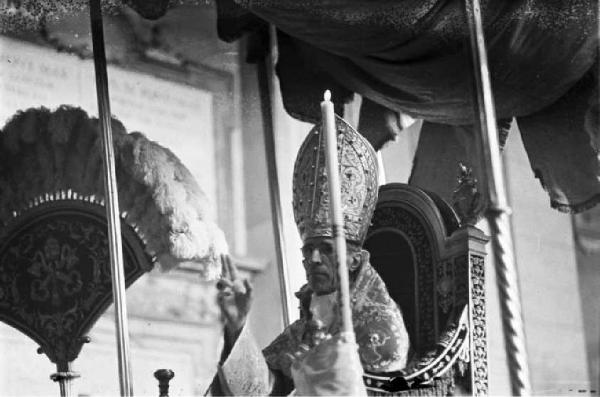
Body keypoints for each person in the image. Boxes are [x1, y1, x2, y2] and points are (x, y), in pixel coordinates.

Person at [209, 116, 410, 396]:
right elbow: (262, 391)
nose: (314, 259)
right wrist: (237, 326)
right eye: (308, 250)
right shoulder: (305, 326)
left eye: (326, 249)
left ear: (354, 258)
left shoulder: (380, 327)